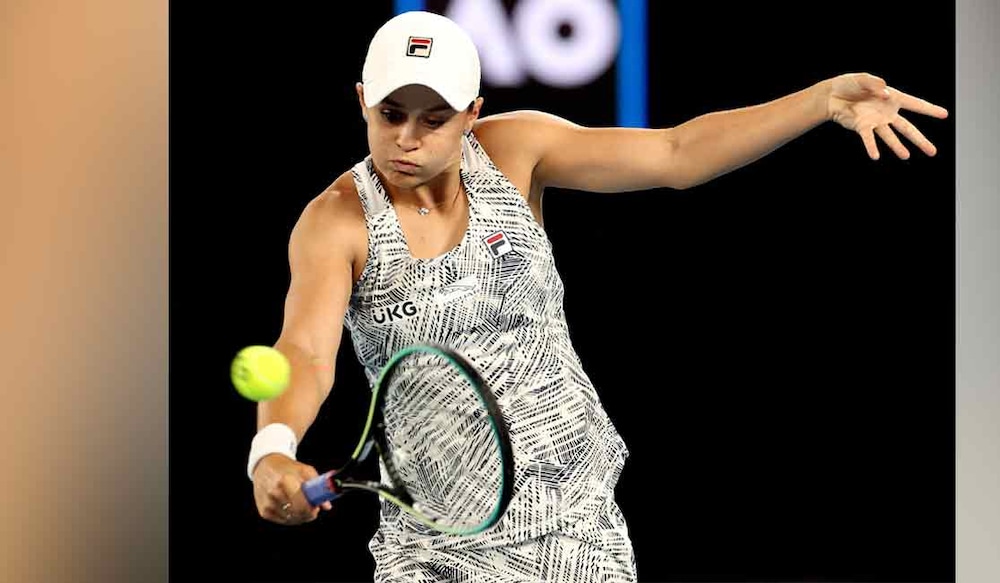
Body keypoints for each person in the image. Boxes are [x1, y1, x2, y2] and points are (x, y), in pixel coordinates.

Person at [245, 9, 949, 583]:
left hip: (575, 525)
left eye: (434, 118)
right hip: (435, 544)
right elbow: (304, 349)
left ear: (472, 113)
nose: (406, 138)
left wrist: (819, 101)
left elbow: (676, 154)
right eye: (390, 112)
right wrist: (272, 448)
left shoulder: (516, 150)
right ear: (363, 99)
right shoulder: (336, 220)